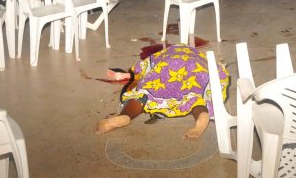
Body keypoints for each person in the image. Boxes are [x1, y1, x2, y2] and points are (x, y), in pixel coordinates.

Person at [96, 45, 229, 140]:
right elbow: (218, 70)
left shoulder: (162, 55)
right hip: (196, 69)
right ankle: (202, 114)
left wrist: (129, 74)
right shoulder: (200, 56)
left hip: (167, 67)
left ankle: (125, 116)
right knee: (194, 97)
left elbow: (141, 68)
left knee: (142, 94)